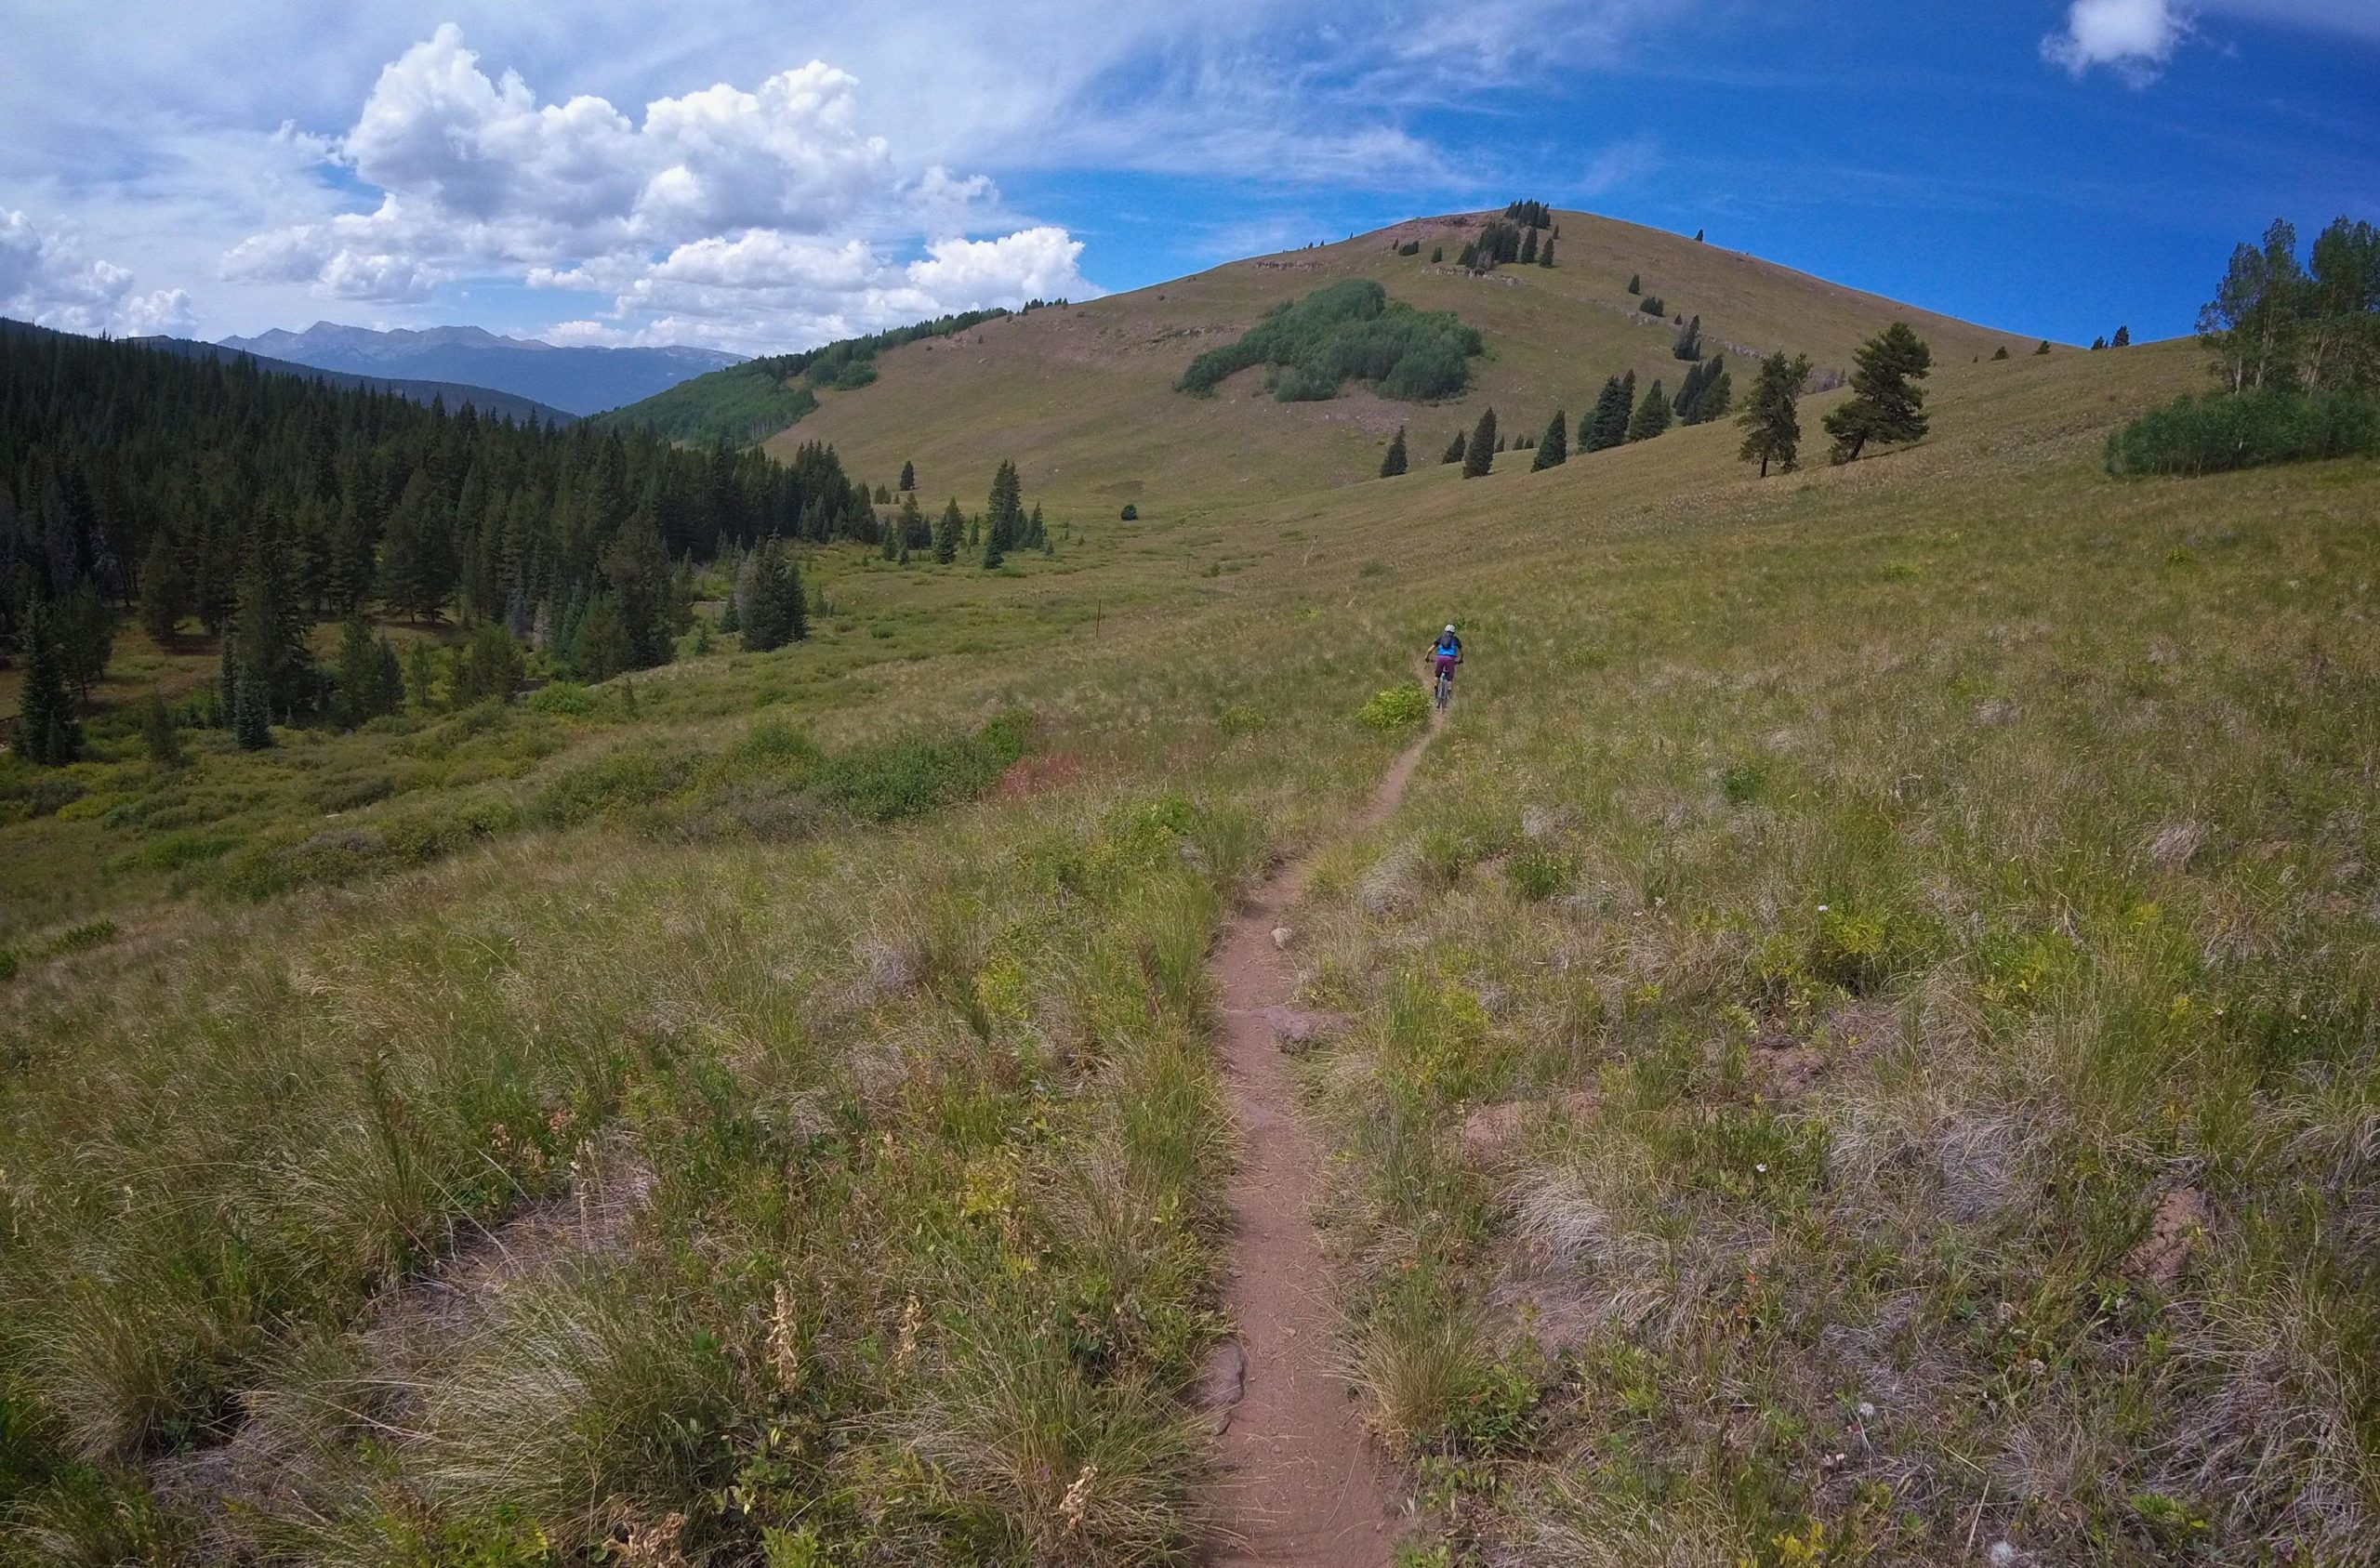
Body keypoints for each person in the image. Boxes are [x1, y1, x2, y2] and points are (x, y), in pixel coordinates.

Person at [1426, 623, 1462, 698]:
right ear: (1453, 632)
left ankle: (1436, 691)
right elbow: (1462, 652)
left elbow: (1430, 650)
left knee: (1437, 675)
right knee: (1450, 677)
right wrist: (1461, 659)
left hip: (1440, 657)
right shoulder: (1455, 639)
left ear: (1445, 631)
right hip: (1451, 658)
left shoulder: (1441, 638)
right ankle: (1449, 691)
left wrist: (1426, 657)